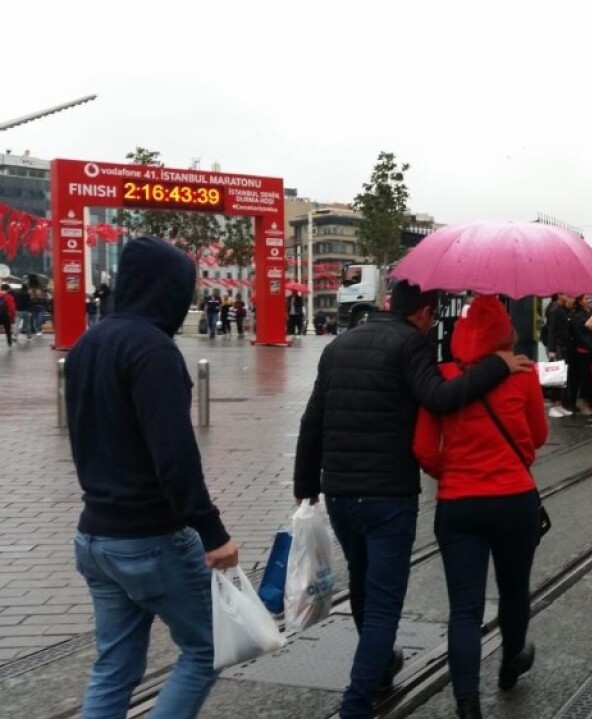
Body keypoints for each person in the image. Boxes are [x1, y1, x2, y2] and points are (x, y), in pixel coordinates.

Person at [293, 281, 531, 718]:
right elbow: (439, 398)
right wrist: (497, 365)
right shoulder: (409, 345)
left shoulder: (339, 346)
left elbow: (313, 418)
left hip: (341, 493)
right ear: (423, 313)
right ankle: (356, 704)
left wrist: (305, 483)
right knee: (383, 605)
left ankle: (381, 666)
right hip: (387, 495)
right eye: (434, 316)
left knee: (364, 588)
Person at [65, 237, 239, 718]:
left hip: (95, 536)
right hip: (149, 537)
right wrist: (213, 532)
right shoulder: (153, 351)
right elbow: (175, 456)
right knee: (208, 649)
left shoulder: (86, 344)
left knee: (115, 665)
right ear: (168, 290)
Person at [414, 296, 546, 719]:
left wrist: (450, 473)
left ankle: (467, 703)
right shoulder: (524, 374)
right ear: (505, 332)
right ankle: (511, 660)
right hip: (514, 500)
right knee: (514, 588)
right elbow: (539, 435)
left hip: (458, 504)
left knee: (465, 607)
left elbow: (421, 448)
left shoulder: (443, 377)